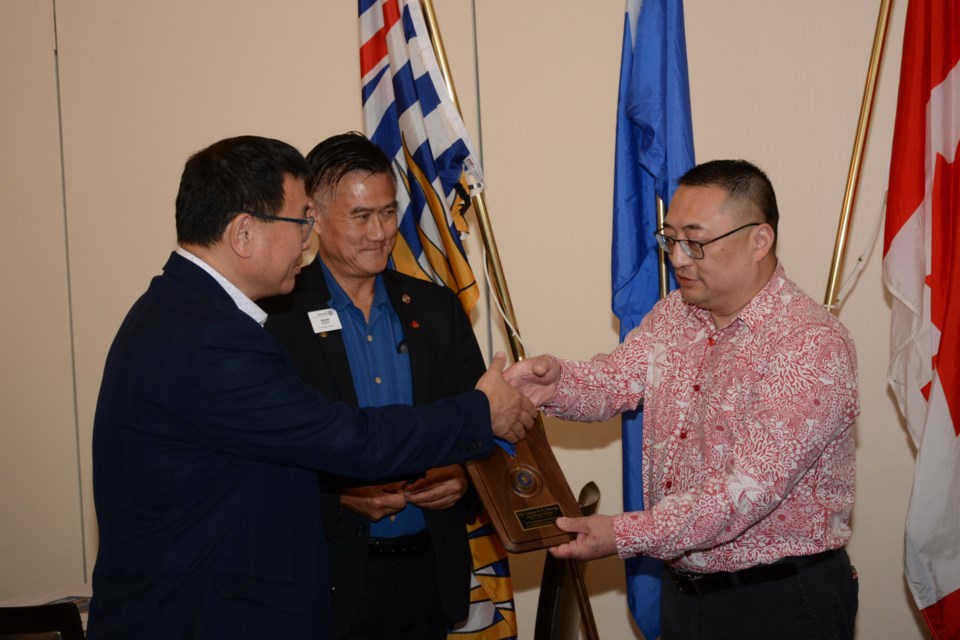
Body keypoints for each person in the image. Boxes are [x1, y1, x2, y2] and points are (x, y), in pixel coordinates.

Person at [88, 135, 535, 640]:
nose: (307, 238)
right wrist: (481, 411)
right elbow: (349, 440)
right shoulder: (214, 337)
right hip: (199, 617)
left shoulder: (172, 310)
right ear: (242, 233)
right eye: (300, 220)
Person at [505, 159, 860, 640]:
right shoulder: (677, 313)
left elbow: (744, 492)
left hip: (776, 600)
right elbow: (614, 379)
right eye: (670, 238)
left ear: (760, 240)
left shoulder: (809, 344)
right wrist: (555, 384)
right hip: (685, 593)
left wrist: (621, 534)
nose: (678, 259)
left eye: (696, 241)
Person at [262, 132, 485, 639]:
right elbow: (259, 463)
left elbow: (483, 429)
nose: (380, 232)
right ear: (313, 217)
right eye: (361, 217)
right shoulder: (278, 321)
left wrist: (465, 478)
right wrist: (337, 498)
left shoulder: (436, 309)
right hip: (327, 581)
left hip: (429, 575)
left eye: (388, 213)